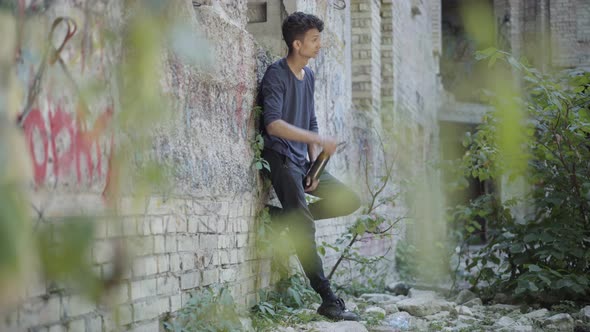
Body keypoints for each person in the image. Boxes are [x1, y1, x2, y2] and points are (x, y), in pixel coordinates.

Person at [257, 12, 361, 321]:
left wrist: (314, 165)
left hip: (302, 161)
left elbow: (311, 119)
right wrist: (315, 139)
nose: (320, 44)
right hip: (281, 157)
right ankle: (328, 299)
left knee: (349, 200)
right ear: (297, 44)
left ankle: (283, 218)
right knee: (305, 226)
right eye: (314, 40)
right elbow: (273, 125)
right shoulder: (276, 74)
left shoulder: (309, 75)